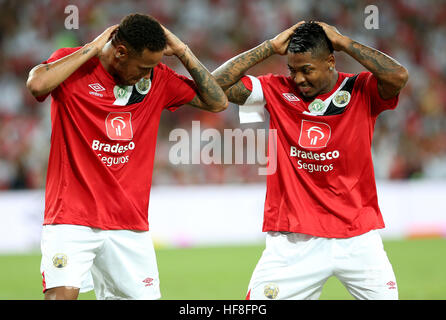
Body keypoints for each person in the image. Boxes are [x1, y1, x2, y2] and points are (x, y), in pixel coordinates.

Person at [26, 13, 227, 300]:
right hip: (72, 217)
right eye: (144, 67)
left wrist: (183, 50)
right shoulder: (74, 64)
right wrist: (94, 47)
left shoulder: (158, 79)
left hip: (128, 223)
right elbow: (37, 85)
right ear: (120, 52)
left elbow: (217, 102)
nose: (147, 75)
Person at [212, 21, 408, 300]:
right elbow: (213, 86)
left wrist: (344, 42)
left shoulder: (360, 89)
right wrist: (268, 47)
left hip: (357, 237)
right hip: (293, 241)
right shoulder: (276, 90)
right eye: (293, 70)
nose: (299, 79)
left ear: (330, 61)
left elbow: (398, 76)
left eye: (307, 70)